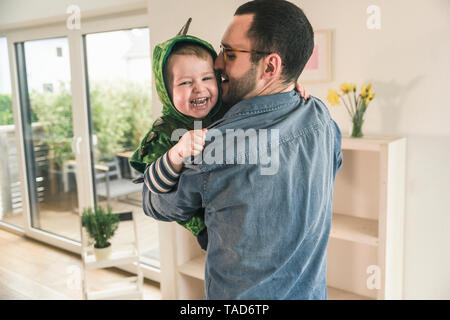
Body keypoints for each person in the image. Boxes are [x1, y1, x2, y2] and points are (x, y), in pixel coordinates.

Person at [143, 0, 343, 299]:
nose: (218, 63)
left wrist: (170, 157)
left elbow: (156, 204)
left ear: (271, 66)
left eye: (230, 53)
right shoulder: (320, 117)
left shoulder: (213, 148)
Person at [130, 33, 224, 250]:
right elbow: (154, 185)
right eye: (185, 82)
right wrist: (177, 153)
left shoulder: (225, 108)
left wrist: (291, 87)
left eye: (207, 78)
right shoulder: (164, 132)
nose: (199, 88)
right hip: (207, 228)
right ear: (166, 91)